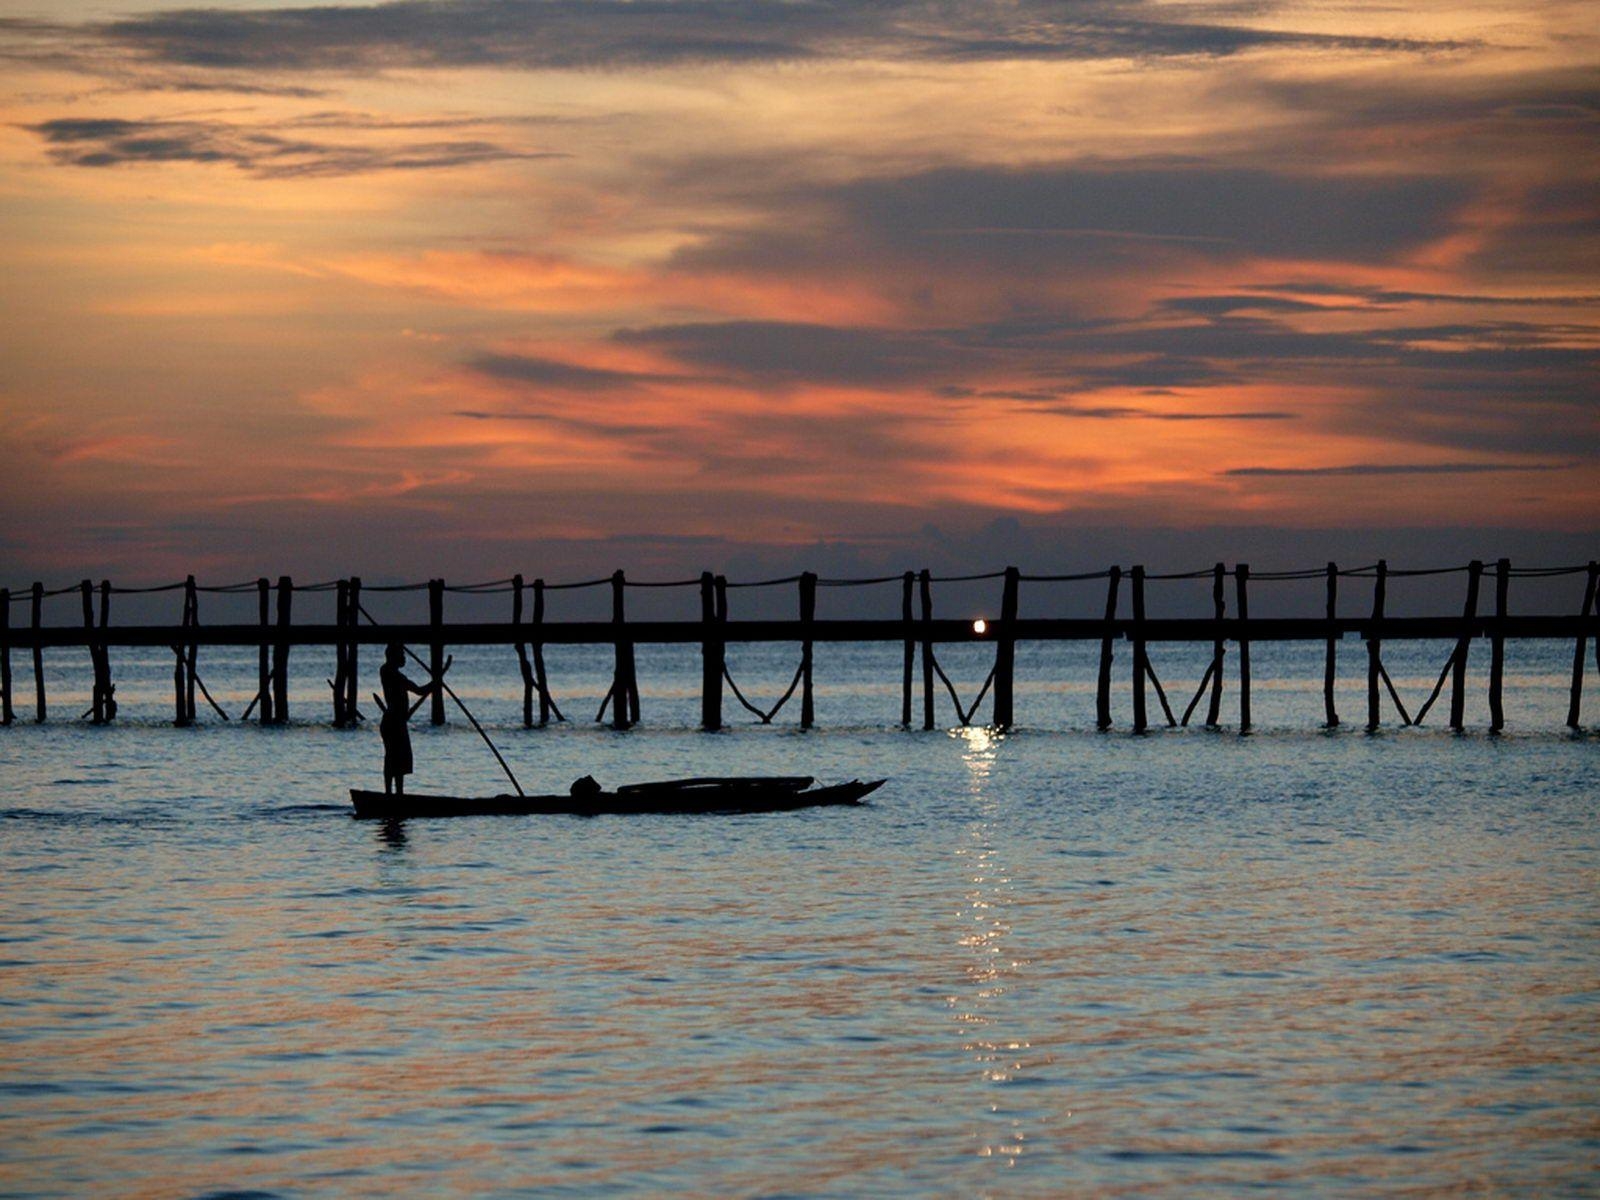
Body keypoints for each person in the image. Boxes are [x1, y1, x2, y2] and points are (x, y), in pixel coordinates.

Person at [377, 642, 448, 795]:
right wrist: (436, 682)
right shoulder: (389, 673)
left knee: (400, 759)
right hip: (392, 723)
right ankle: (389, 794)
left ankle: (398, 795)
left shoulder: (395, 675)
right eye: (401, 656)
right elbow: (420, 691)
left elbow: (420, 690)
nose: (404, 659)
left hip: (398, 722)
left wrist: (436, 682)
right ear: (393, 657)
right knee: (392, 758)